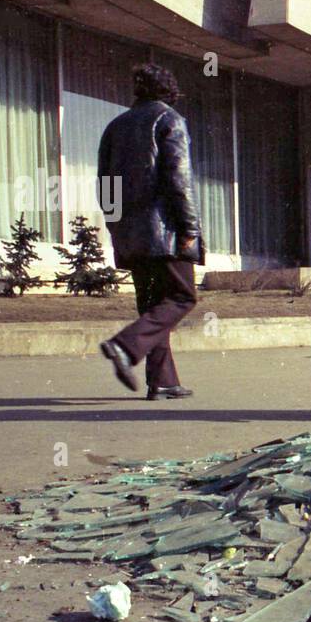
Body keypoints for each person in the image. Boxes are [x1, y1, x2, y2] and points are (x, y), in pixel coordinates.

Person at [98, 63, 203, 400]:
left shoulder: (115, 126)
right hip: (167, 234)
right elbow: (178, 180)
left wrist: (117, 229)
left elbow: (106, 187)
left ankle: (163, 381)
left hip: (132, 235)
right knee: (182, 296)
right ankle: (126, 346)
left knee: (152, 306)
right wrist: (189, 228)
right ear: (170, 91)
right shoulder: (169, 119)